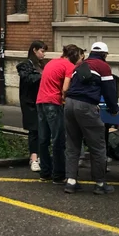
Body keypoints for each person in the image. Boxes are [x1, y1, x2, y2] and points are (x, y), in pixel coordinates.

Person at [63, 42, 119, 195]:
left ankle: (71, 182)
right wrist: (114, 110)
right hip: (86, 106)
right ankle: (100, 183)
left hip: (68, 105)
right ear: (105, 55)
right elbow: (110, 91)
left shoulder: (80, 65)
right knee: (97, 146)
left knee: (73, 144)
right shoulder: (103, 66)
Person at [37, 44, 84, 184]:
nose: (80, 61)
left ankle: (45, 172)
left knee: (43, 139)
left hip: (40, 101)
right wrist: (66, 98)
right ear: (74, 55)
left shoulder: (51, 62)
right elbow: (65, 88)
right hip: (53, 103)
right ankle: (58, 175)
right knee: (58, 139)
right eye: (80, 57)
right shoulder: (69, 66)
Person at [16, 41, 47, 172]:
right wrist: (42, 76)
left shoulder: (42, 65)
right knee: (34, 130)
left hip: (41, 101)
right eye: (42, 51)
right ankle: (33, 158)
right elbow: (28, 79)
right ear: (34, 50)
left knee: (42, 130)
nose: (43, 54)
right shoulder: (25, 65)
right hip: (30, 103)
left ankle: (39, 156)